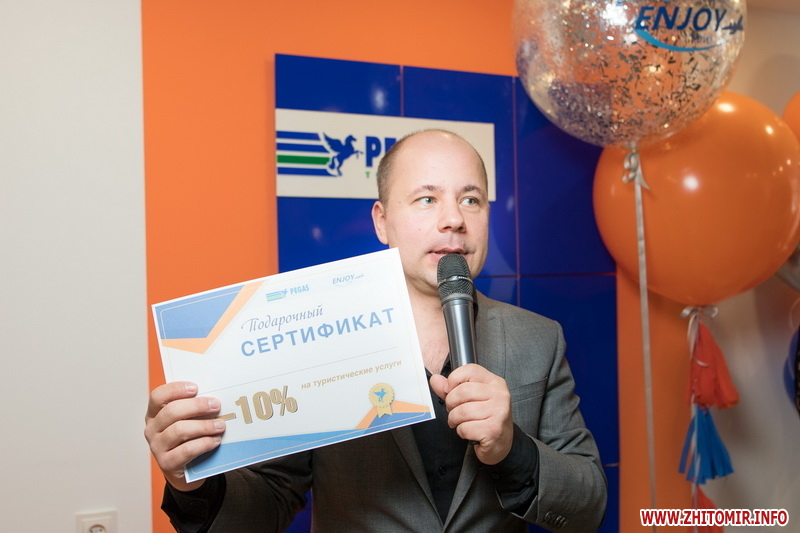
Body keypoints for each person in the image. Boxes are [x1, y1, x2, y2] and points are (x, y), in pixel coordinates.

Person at [145, 129, 607, 532]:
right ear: (382, 222)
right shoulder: (319, 341)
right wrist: (194, 484)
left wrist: (511, 448)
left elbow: (589, 506)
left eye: (471, 199)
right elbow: (268, 503)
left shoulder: (539, 339)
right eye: (427, 199)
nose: (454, 219)